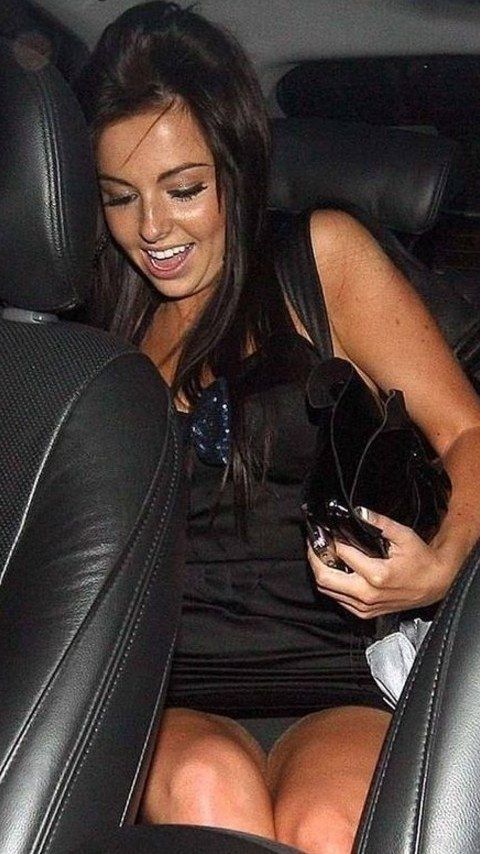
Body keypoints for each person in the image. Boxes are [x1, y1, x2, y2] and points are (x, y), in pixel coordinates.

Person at [76, 3, 480, 851]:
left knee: (327, 827)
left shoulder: (316, 262)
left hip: (331, 672)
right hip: (171, 685)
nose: (152, 229)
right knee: (208, 792)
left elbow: (465, 431)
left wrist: (439, 566)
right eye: (120, 197)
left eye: (184, 189)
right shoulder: (89, 326)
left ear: (237, 166)